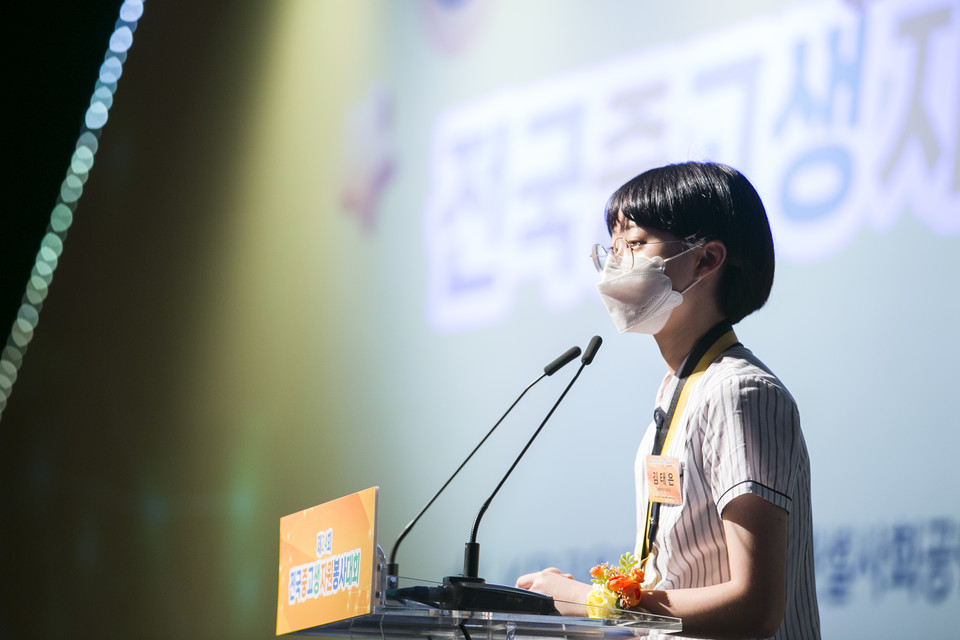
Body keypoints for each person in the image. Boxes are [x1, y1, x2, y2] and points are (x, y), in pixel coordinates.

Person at [515, 162, 820, 639]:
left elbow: (755, 607)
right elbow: (683, 574)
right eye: (612, 248)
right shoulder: (680, 387)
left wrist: (593, 601)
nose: (615, 265)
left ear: (706, 260)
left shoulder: (740, 391)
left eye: (635, 244)